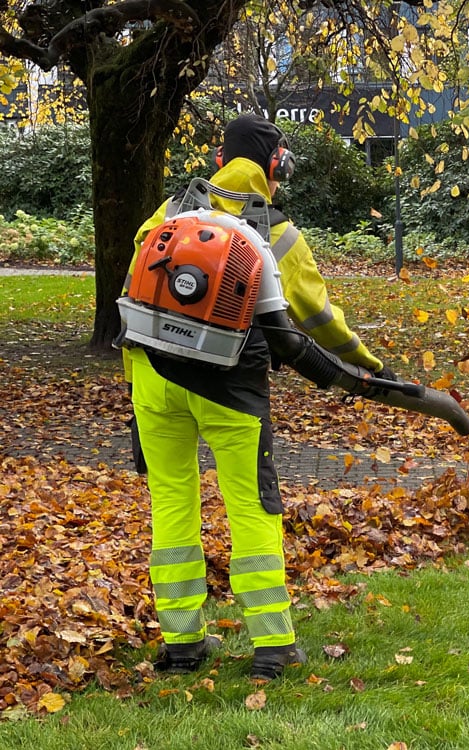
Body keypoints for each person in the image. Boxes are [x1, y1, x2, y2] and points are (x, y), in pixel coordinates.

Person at [122, 113, 392, 680]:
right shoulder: (277, 232)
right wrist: (367, 365)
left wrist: (134, 389)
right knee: (251, 506)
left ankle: (182, 643)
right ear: (275, 168)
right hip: (230, 386)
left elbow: (134, 300)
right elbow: (316, 317)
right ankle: (272, 645)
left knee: (171, 503)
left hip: (152, 379)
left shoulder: (168, 213)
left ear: (220, 161)